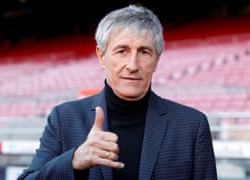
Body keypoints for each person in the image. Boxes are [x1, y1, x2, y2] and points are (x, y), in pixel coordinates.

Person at [18, 4, 217, 180]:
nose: (132, 65)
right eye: (122, 51)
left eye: (144, 52)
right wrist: (74, 161)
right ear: (101, 56)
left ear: (157, 59)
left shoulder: (191, 125)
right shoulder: (65, 119)